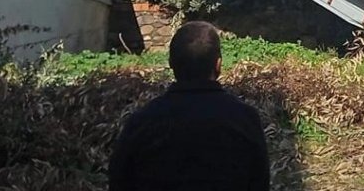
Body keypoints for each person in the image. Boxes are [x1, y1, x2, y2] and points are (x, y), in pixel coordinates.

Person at [109, 21, 270, 191]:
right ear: (218, 65)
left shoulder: (141, 121)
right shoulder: (245, 119)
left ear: (171, 63)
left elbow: (119, 181)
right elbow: (259, 182)